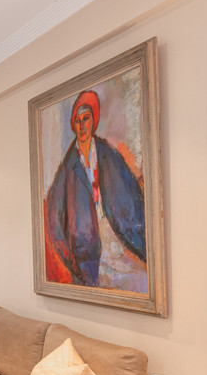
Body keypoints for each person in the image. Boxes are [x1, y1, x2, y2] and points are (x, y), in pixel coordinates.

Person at [43, 89, 147, 291]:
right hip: (88, 255)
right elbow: (54, 218)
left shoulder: (107, 153)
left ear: (93, 121)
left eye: (86, 119)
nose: (82, 125)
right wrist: (73, 258)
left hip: (121, 238)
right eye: (78, 121)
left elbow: (132, 189)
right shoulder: (67, 168)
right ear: (73, 125)